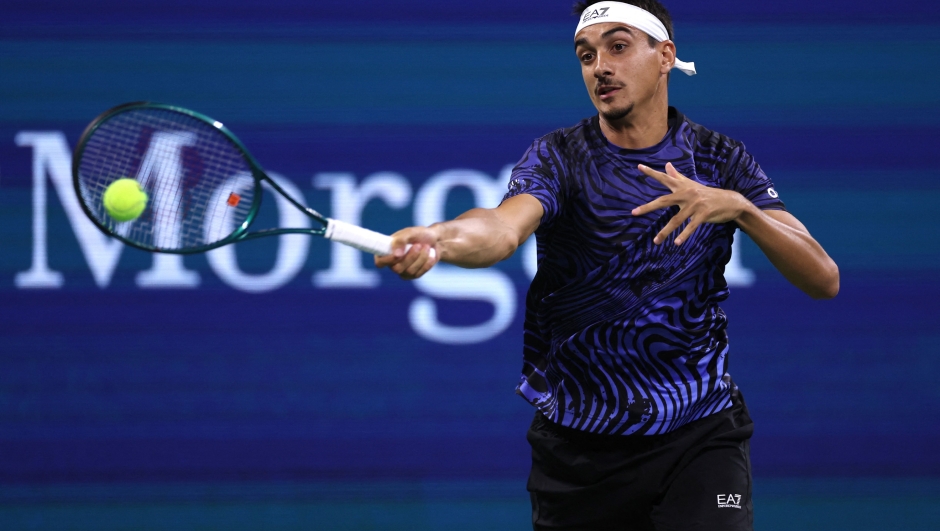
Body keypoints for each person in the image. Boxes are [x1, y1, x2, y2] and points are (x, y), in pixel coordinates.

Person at [375, 1, 839, 529]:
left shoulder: (720, 160)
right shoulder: (559, 158)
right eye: (586, 54)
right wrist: (439, 237)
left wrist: (741, 208)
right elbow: (502, 230)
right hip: (578, 454)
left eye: (618, 47)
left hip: (701, 436)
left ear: (665, 56)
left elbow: (824, 278)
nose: (600, 66)